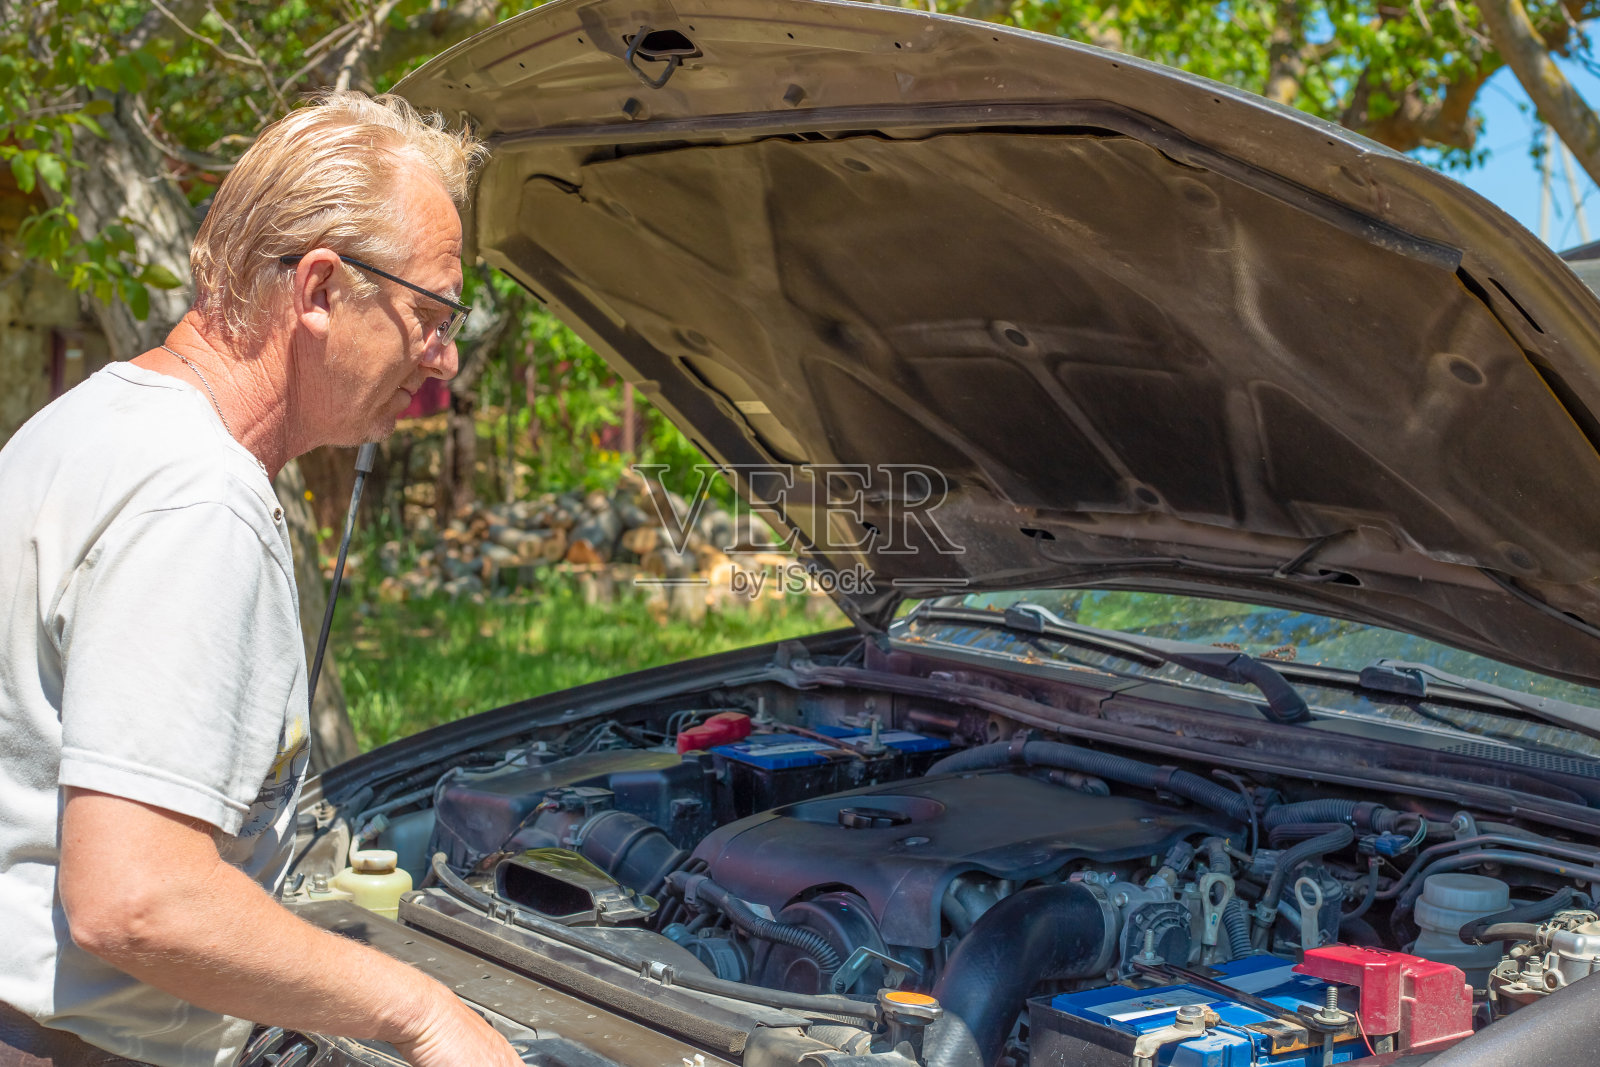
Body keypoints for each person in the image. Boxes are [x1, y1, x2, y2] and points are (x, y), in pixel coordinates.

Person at [0, 91, 524, 1067]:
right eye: (432, 314)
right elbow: (136, 898)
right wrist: (424, 1010)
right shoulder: (201, 498)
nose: (442, 360)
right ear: (321, 289)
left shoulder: (90, 426)